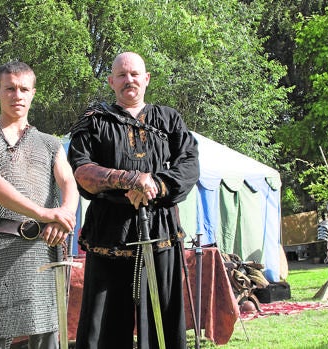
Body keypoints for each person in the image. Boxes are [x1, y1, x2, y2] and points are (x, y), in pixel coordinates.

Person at [67, 52, 200, 349]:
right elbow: (81, 170)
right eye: (122, 75)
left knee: (162, 320)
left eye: (135, 74)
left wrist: (155, 183)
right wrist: (129, 179)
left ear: (146, 78)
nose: (130, 80)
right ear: (111, 81)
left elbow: (189, 165)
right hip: (109, 234)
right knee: (106, 327)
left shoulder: (169, 119)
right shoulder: (94, 121)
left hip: (160, 230)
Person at [0, 61, 79, 349]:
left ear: (33, 94)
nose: (17, 95)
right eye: (10, 88)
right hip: (2, 246)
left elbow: (69, 183)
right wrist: (44, 213)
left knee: (46, 333)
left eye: (24, 89)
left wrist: (65, 215)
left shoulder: (50, 143)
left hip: (43, 247)